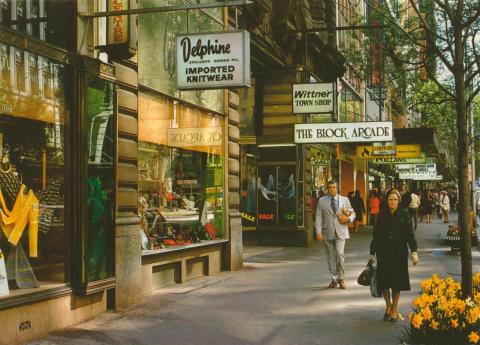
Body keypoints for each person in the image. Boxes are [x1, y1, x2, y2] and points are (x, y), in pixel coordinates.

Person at [369, 189, 419, 322]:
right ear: (387, 201)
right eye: (390, 199)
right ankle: (388, 305)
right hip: (383, 252)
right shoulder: (382, 215)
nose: (393, 202)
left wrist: (414, 251)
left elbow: (410, 234)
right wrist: (372, 253)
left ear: (399, 201)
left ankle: (395, 309)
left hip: (399, 253)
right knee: (384, 282)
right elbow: (376, 235)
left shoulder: (404, 214)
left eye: (395, 199)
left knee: (396, 283)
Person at [316, 181, 356, 289]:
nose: (332, 189)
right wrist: (318, 232)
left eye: (334, 187)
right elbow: (318, 217)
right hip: (327, 231)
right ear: (327, 189)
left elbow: (353, 213)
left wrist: (349, 218)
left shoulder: (345, 199)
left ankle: (341, 278)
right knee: (330, 256)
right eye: (330, 187)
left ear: (337, 188)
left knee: (339, 254)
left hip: (341, 231)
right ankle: (334, 279)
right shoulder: (321, 201)